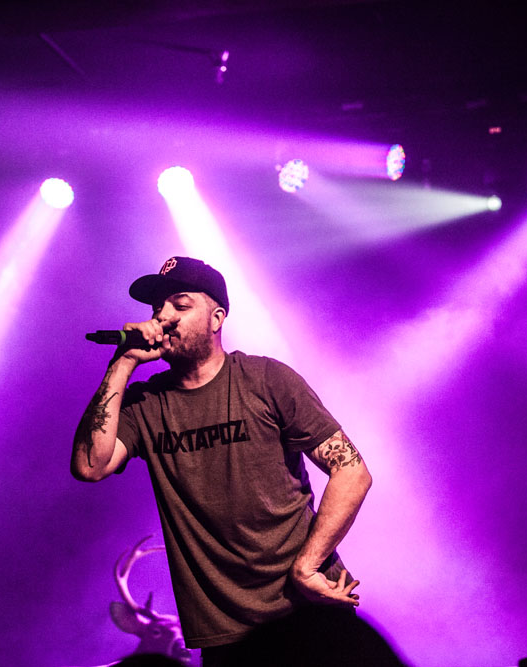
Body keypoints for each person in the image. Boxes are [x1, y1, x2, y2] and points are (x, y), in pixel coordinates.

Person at [71, 256, 373, 665]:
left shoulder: (266, 380)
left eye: (180, 305)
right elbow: (90, 465)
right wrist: (122, 362)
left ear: (216, 318)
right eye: (157, 307)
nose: (163, 317)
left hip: (308, 613)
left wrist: (306, 565)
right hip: (226, 635)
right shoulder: (146, 404)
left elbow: (352, 470)